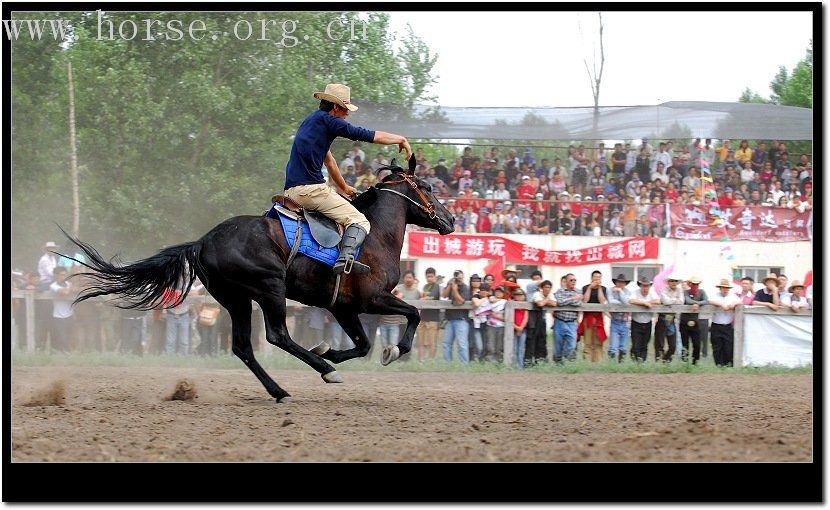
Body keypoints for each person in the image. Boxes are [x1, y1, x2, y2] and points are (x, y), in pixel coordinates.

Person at [282, 83, 413, 275]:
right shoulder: (330, 121)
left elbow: (330, 161)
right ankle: (345, 261)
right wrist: (400, 139)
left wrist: (344, 187)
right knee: (360, 221)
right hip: (311, 191)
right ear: (336, 107)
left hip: (290, 192)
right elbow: (367, 135)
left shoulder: (311, 122)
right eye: (346, 110)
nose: (347, 115)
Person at [708, 278, 741, 367]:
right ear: (720, 288)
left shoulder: (732, 296)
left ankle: (728, 364)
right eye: (723, 287)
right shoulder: (715, 295)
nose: (725, 289)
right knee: (717, 346)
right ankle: (718, 364)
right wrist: (722, 305)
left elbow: (739, 301)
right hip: (716, 324)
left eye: (727, 288)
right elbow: (710, 300)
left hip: (727, 325)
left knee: (728, 346)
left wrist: (733, 304)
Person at [629, 276, 660, 362]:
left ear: (649, 286)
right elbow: (631, 300)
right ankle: (635, 361)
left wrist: (649, 302)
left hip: (647, 322)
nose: (645, 288)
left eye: (647, 286)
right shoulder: (636, 292)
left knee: (645, 344)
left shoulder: (652, 293)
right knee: (635, 345)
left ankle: (642, 362)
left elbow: (658, 301)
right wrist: (644, 303)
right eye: (643, 285)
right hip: (636, 322)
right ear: (640, 286)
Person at [442, 270, 471, 364]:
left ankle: (464, 366)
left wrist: (455, 289)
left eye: (460, 277)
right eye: (457, 277)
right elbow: (444, 295)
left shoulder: (466, 288)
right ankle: (448, 364)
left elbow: (460, 301)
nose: (459, 279)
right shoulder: (451, 284)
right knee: (446, 344)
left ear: (463, 277)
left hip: (461, 320)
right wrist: (450, 285)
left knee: (462, 344)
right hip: (449, 319)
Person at [552, 273, 582, 364]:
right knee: (558, 346)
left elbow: (578, 303)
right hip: (559, 322)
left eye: (575, 280)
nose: (573, 282)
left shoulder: (579, 292)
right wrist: (573, 298)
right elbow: (560, 302)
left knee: (572, 345)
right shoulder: (560, 291)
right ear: (566, 281)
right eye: (571, 280)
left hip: (572, 323)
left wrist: (568, 300)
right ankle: (558, 364)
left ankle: (566, 360)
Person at [655, 273, 684, 362]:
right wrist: (675, 300)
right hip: (662, 318)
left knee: (673, 346)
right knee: (660, 343)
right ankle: (660, 361)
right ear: (668, 282)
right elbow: (666, 301)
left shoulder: (679, 290)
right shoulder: (664, 290)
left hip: (672, 319)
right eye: (671, 281)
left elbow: (681, 302)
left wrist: (671, 301)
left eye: (675, 281)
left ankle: (665, 359)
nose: (673, 283)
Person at [579, 270, 607, 363]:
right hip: (588, 318)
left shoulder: (603, 288)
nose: (597, 279)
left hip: (599, 318)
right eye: (595, 277)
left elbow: (602, 301)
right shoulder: (585, 288)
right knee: (587, 342)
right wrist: (590, 288)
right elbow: (585, 300)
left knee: (598, 342)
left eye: (599, 277)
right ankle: (586, 361)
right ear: (591, 278)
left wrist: (599, 288)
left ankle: (598, 362)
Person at [680, 276, 708, 365]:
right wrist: (697, 303)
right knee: (685, 344)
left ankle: (695, 362)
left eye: (696, 284)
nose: (695, 285)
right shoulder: (685, 292)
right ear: (690, 284)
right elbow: (687, 300)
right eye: (693, 284)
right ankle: (685, 363)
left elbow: (706, 300)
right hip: (685, 320)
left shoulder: (702, 292)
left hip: (696, 321)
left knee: (697, 344)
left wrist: (697, 304)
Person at [527, 280, 555, 366]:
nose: (548, 289)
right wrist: (547, 300)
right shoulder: (536, 294)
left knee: (542, 342)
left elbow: (554, 303)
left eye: (549, 287)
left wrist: (545, 301)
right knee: (531, 342)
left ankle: (540, 362)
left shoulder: (551, 295)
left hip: (542, 321)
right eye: (546, 287)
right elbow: (539, 304)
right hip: (533, 321)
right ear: (542, 288)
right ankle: (528, 364)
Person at [417, 268, 442, 362]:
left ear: (435, 277)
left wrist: (422, 299)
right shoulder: (425, 286)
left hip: (433, 318)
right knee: (421, 342)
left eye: (431, 276)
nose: (429, 278)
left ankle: (431, 361)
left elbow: (431, 297)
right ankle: (421, 361)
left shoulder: (436, 286)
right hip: (423, 317)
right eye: (428, 276)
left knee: (432, 342)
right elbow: (423, 297)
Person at [606, 273, 631, 362]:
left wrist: (620, 292)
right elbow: (611, 301)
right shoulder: (610, 290)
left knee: (623, 348)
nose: (620, 284)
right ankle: (611, 365)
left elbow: (626, 302)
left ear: (625, 284)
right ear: (615, 282)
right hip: (615, 321)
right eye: (619, 282)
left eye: (622, 282)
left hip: (625, 322)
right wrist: (622, 303)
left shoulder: (627, 291)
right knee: (613, 347)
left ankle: (621, 365)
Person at [48, 266, 74, 352]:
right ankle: (61, 354)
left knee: (70, 336)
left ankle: (70, 354)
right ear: (56, 276)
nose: (64, 276)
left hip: (70, 314)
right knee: (61, 337)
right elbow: (65, 292)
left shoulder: (68, 284)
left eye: (65, 274)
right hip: (58, 315)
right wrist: (71, 286)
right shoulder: (53, 285)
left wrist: (71, 286)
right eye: (62, 275)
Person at [484, 286, 507, 363]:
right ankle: (490, 363)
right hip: (490, 325)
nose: (498, 293)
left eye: (500, 292)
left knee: (500, 346)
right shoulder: (490, 299)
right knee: (490, 345)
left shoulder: (505, 302)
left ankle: (499, 363)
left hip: (501, 326)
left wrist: (496, 316)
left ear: (503, 294)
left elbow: (508, 318)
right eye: (497, 291)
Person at [512, 288, 529, 369]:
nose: (519, 297)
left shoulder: (525, 306)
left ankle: (520, 367)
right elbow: (510, 318)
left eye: (520, 295)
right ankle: (514, 366)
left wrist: (520, 328)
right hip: (513, 330)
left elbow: (526, 318)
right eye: (517, 295)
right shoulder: (511, 305)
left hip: (523, 330)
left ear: (524, 296)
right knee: (514, 349)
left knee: (521, 349)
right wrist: (516, 328)